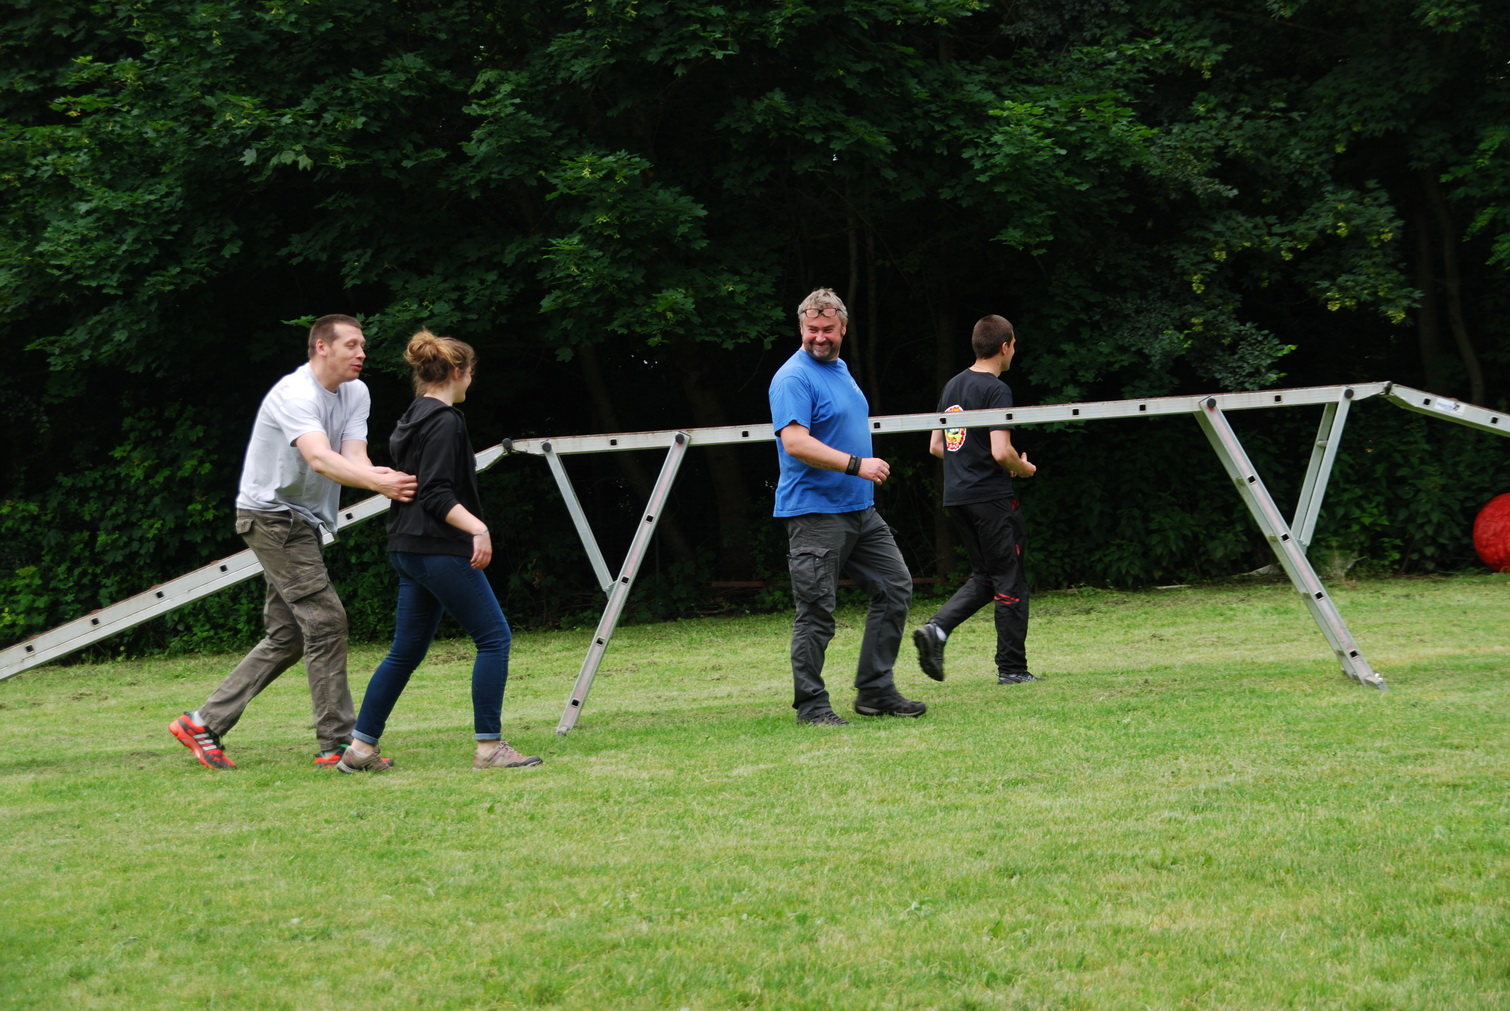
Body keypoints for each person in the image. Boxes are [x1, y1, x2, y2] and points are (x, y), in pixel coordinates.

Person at [170, 314, 418, 770]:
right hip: (271, 518)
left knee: (289, 635)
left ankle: (201, 722)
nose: (362, 353)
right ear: (322, 347)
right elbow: (319, 458)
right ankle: (337, 744)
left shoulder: (355, 392)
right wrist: (378, 484)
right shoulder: (295, 393)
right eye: (352, 345)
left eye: (362, 345)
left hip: (302, 521)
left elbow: (353, 457)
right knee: (326, 622)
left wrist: (385, 477)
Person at [337, 329, 540, 772]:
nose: (471, 380)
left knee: (405, 651)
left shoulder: (412, 416)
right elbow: (435, 494)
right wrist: (478, 528)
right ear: (456, 371)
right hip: (437, 548)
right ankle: (489, 748)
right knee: (494, 638)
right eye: (470, 372)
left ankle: (360, 751)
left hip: (407, 547)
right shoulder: (446, 421)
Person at [768, 287, 926, 725]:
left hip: (859, 510)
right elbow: (795, 442)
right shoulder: (793, 378)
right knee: (817, 611)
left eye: (828, 329)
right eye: (811, 329)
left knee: (895, 588)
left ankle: (875, 691)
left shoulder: (838, 369)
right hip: (815, 513)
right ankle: (812, 706)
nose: (819, 337)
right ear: (801, 328)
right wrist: (857, 465)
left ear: (843, 329)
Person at [912, 314, 1039, 685]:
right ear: (1005, 346)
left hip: (958, 497)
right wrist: (1022, 467)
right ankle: (1012, 670)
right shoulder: (997, 390)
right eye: (1013, 346)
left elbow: (938, 446)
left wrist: (980, 461)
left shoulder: (952, 386)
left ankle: (936, 630)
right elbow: (1001, 451)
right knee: (1009, 580)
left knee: (986, 577)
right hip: (991, 498)